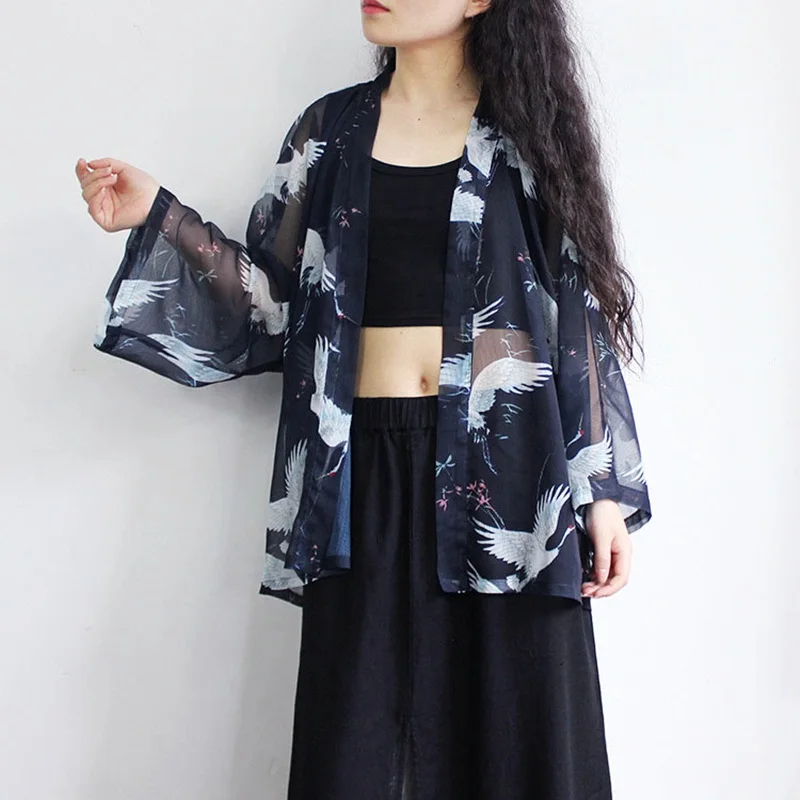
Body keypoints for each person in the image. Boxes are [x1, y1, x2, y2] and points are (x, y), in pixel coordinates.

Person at [75, 1, 653, 797]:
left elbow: (573, 310)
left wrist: (602, 492)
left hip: (511, 476)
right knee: (354, 747)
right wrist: (160, 218)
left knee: (524, 744)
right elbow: (274, 306)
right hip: (357, 475)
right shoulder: (331, 133)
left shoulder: (526, 135)